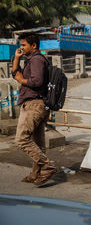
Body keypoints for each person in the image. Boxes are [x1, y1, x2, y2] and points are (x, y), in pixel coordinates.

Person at [12, 33, 56, 185]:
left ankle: (48, 166)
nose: (21, 47)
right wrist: (17, 58)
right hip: (37, 105)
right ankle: (35, 175)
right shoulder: (30, 59)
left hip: (34, 105)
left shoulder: (37, 59)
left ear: (34, 45)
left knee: (21, 139)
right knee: (38, 144)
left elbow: (37, 81)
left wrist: (21, 80)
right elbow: (14, 74)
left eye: (24, 45)